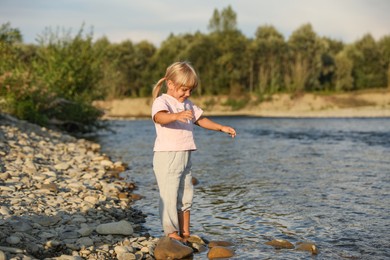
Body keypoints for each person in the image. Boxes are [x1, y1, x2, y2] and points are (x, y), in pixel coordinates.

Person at [151, 61, 236, 242]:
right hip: (167, 156)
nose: (187, 94)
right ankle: (171, 233)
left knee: (186, 193)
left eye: (190, 90)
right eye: (184, 89)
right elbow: (159, 117)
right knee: (169, 194)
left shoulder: (188, 104)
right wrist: (175, 116)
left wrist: (221, 127)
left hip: (185, 155)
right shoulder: (162, 101)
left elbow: (201, 119)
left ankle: (185, 232)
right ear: (170, 84)